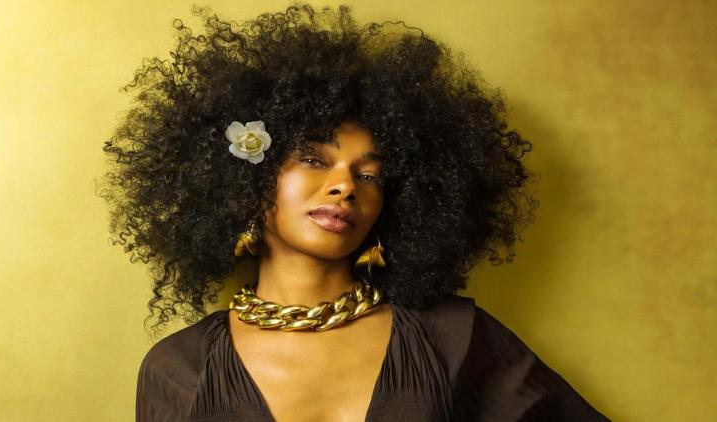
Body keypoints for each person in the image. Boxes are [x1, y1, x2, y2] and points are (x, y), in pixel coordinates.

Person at [99, 2, 610, 420]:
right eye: (314, 160)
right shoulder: (179, 368)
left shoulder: (452, 337)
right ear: (250, 180)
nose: (345, 186)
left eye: (369, 175)